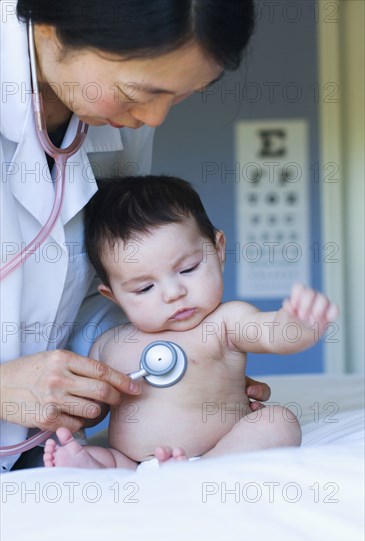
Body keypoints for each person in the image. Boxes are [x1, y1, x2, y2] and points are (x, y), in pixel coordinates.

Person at [0, 0, 271, 472]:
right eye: (136, 90)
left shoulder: (120, 120)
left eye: (182, 93)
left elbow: (97, 286)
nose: (154, 118)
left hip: (43, 447)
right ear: (49, 25)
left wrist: (179, 370)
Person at [43, 176, 339, 469]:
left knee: (278, 421)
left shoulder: (225, 321)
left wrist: (299, 325)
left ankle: (200, 471)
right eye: (144, 288)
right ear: (114, 296)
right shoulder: (107, 345)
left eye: (188, 269)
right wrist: (78, 409)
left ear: (218, 250)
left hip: (221, 450)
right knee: (97, 455)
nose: (174, 293)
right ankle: (88, 468)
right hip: (135, 464)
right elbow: (94, 407)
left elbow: (271, 334)